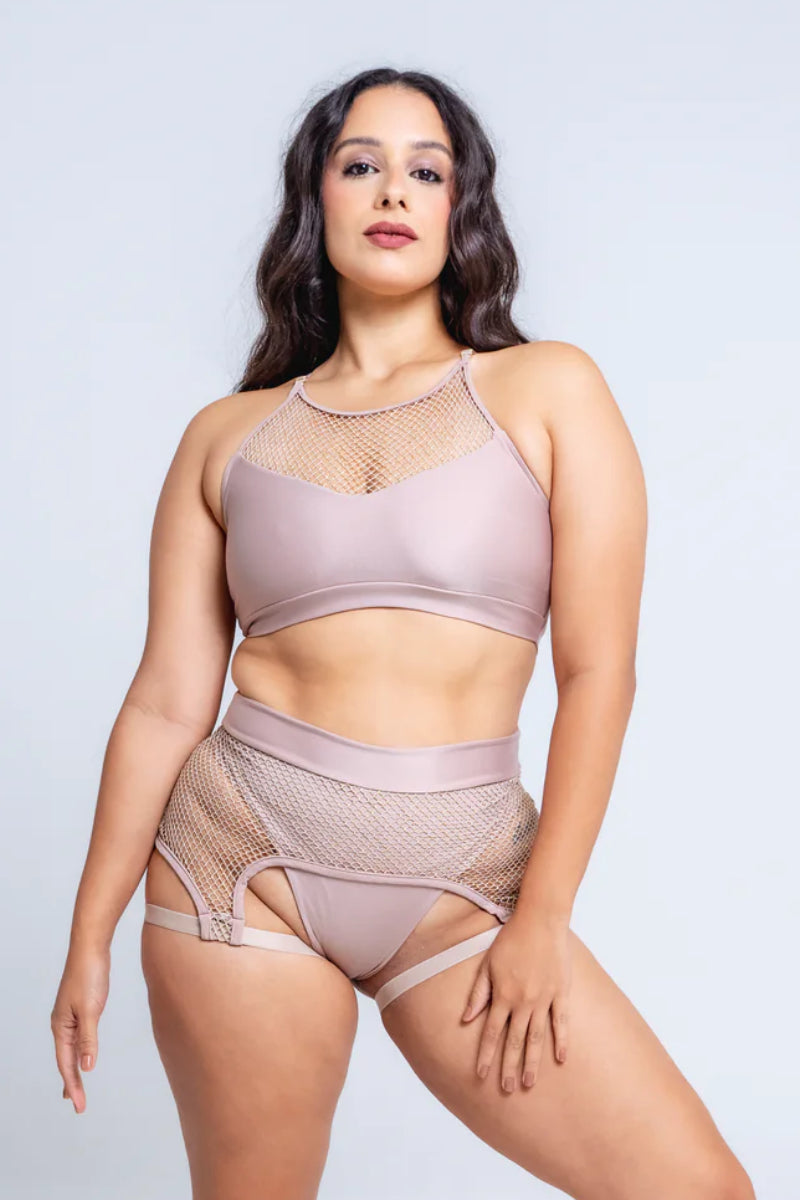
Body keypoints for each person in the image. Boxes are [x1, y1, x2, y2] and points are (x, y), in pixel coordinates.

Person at [51, 67, 755, 1200]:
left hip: (465, 881)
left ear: (459, 206)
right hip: (238, 868)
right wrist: (88, 933)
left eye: (425, 170)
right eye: (360, 164)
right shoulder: (224, 436)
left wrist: (543, 919)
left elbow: (597, 673)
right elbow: (167, 702)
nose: (392, 191)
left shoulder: (546, 391)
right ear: (316, 200)